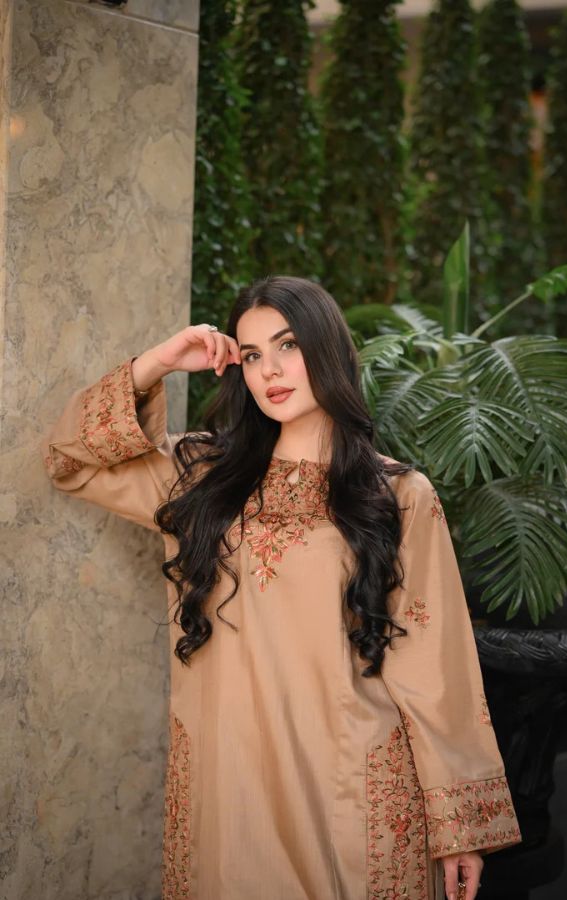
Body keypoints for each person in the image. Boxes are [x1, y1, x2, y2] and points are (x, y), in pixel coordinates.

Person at [41, 275, 521, 900]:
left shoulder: (398, 495)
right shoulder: (203, 482)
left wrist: (459, 830)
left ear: (327, 349)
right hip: (232, 799)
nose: (271, 370)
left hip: (353, 794)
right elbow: (67, 460)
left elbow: (435, 666)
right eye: (251, 355)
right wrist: (156, 364)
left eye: (288, 345)